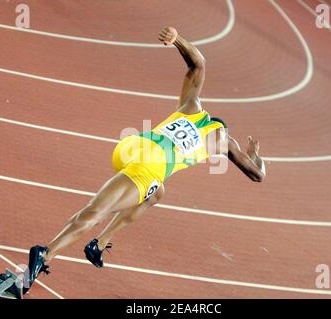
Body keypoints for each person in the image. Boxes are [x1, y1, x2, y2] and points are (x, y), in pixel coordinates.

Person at [24, 27, 266, 293]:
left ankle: (100, 243)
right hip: (149, 166)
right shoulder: (223, 142)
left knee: (156, 193)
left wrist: (177, 41)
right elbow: (258, 174)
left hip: (130, 147)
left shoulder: (192, 107)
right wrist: (254, 155)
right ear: (224, 131)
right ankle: (45, 253)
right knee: (96, 212)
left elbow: (199, 63)